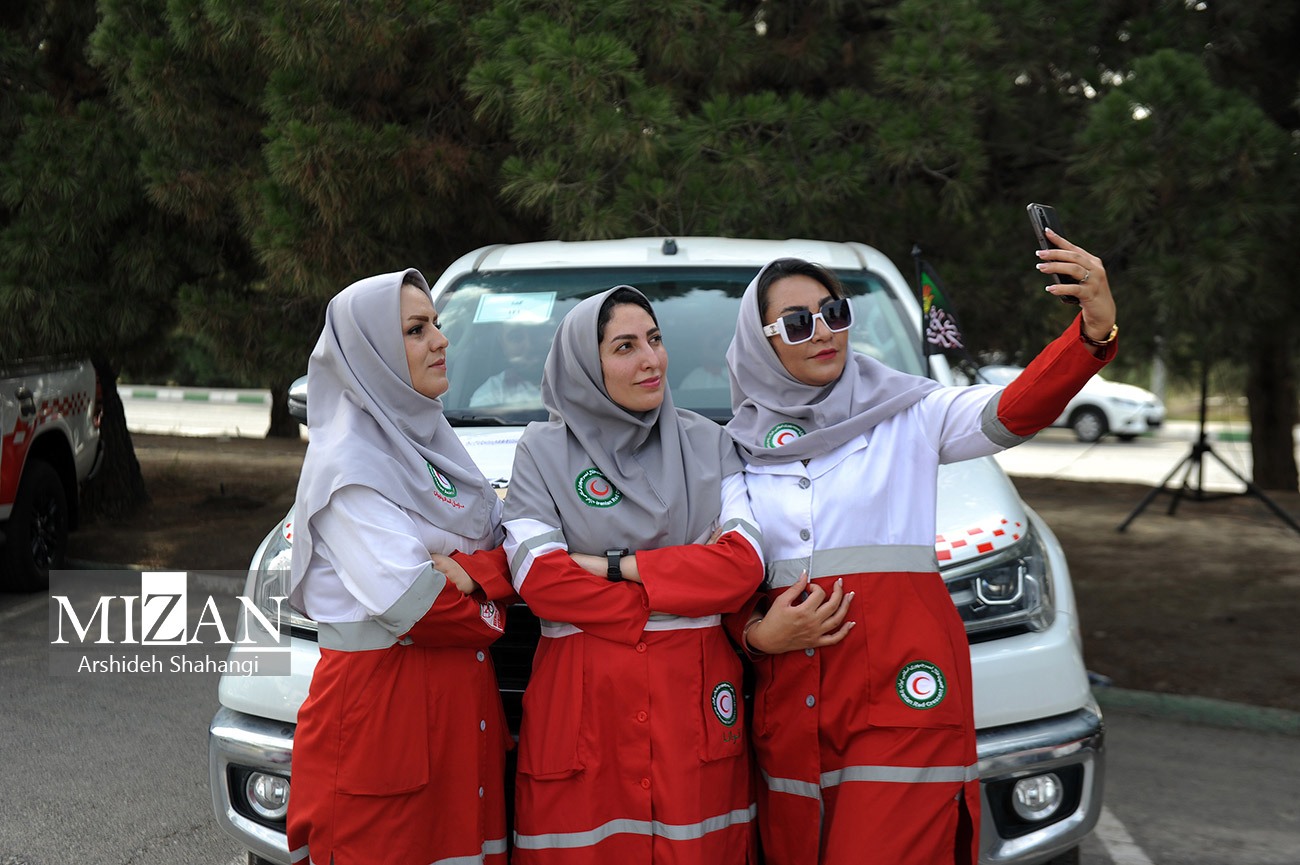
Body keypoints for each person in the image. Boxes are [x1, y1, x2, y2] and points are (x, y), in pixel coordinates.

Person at [724, 229, 1118, 865]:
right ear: (759, 343)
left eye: (834, 313)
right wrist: (755, 634)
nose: (823, 332)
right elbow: (726, 567)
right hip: (791, 705)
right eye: (797, 323)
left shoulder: (909, 412)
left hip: (903, 696)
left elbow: (1011, 411)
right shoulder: (732, 452)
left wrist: (1090, 337)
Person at [503, 285, 766, 864]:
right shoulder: (541, 452)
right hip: (585, 712)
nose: (651, 360)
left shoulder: (711, 444)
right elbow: (542, 580)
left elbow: (743, 567)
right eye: (625, 346)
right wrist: (680, 589)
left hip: (690, 711)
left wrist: (611, 567)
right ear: (585, 366)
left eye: (655, 339)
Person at [286, 269, 516, 865]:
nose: (441, 339)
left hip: (459, 721)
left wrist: (470, 575)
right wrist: (497, 603)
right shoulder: (347, 468)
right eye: (417, 330)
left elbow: (511, 546)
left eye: (436, 324)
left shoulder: (435, 444)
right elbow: (418, 604)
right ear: (371, 353)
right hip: (383, 728)